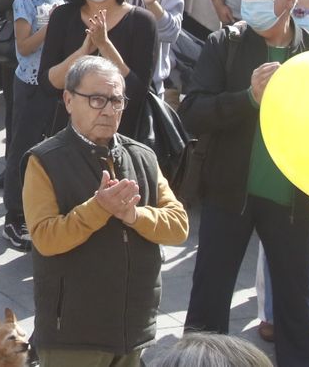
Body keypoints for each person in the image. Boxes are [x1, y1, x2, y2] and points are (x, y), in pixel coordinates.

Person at [182, 0, 309, 367]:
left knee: (295, 301)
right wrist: (248, 98)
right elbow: (193, 110)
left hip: (292, 201)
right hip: (228, 194)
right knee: (209, 298)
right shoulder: (225, 44)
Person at [24, 56, 190, 367]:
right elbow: (45, 238)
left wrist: (134, 216)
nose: (109, 110)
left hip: (133, 329)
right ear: (69, 100)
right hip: (73, 334)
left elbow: (178, 225)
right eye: (97, 99)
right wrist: (99, 208)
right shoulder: (46, 160)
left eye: (116, 100)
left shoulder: (142, 156)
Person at [37, 0, 159, 148]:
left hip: (123, 139)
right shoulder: (63, 16)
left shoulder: (141, 21)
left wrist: (105, 46)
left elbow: (138, 92)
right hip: (70, 139)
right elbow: (48, 84)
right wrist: (83, 52)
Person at [1, 0, 63, 252]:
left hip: (59, 82)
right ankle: (15, 216)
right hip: (30, 82)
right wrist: (51, 27)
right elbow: (24, 47)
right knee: (22, 149)